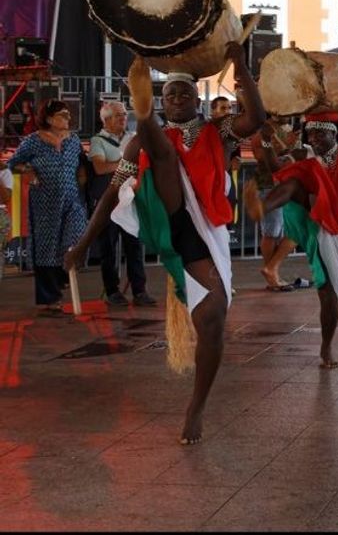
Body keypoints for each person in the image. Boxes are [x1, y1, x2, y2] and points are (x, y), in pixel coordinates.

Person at [68, 46, 266, 445]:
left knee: (212, 322)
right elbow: (110, 194)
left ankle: (197, 407)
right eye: (169, 95)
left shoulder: (218, 131)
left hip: (202, 235)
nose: (176, 99)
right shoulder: (137, 144)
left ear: (198, 99)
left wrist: (241, 65)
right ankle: (144, 118)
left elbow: (257, 118)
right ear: (162, 100)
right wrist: (82, 243)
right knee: (158, 152)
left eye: (184, 94)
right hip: (163, 220)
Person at [245, 111, 338, 368]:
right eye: (311, 134)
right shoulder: (303, 155)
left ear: (334, 133)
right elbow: (275, 167)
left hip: (334, 227)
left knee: (328, 291)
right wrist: (264, 141)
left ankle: (326, 346)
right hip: (307, 216)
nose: (315, 139)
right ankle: (262, 208)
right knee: (294, 183)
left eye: (321, 133)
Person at [9, 100, 88, 315]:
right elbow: (13, 162)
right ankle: (50, 299)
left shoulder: (73, 141)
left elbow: (81, 165)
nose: (68, 118)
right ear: (50, 118)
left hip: (71, 200)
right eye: (63, 115)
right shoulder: (32, 141)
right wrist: (30, 172)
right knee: (46, 247)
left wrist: (81, 180)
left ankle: (63, 276)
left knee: (75, 237)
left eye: (68, 115)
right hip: (44, 202)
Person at [87, 100, 154, 307]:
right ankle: (112, 291)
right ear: (106, 119)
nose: (124, 118)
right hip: (109, 201)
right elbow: (100, 167)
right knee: (108, 247)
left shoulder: (133, 138)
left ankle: (139, 290)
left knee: (134, 245)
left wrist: (120, 165)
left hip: (131, 200)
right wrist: (128, 164)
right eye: (118, 115)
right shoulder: (98, 141)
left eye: (124, 114)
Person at [249, 118, 299, 290]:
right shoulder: (262, 132)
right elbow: (266, 160)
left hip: (284, 185)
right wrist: (286, 146)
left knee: (291, 230)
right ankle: (271, 273)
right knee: (271, 232)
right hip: (268, 184)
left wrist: (290, 146)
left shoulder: (284, 128)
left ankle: (271, 269)